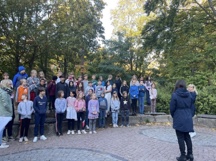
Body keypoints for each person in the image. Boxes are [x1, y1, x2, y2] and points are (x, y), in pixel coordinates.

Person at [170, 80, 194, 161]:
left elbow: (172, 108)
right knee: (187, 136)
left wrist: (175, 116)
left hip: (179, 116)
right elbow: (191, 106)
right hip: (188, 116)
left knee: (180, 137)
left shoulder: (175, 95)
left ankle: (183, 155)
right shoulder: (189, 95)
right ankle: (190, 154)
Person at [0, 80, 13, 148]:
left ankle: (1, 142)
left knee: (1, 127)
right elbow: (5, 103)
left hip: (2, 112)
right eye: (9, 84)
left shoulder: (3, 91)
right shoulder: (4, 92)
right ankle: (0, 143)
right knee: (1, 128)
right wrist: (10, 110)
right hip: (4, 112)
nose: (10, 85)